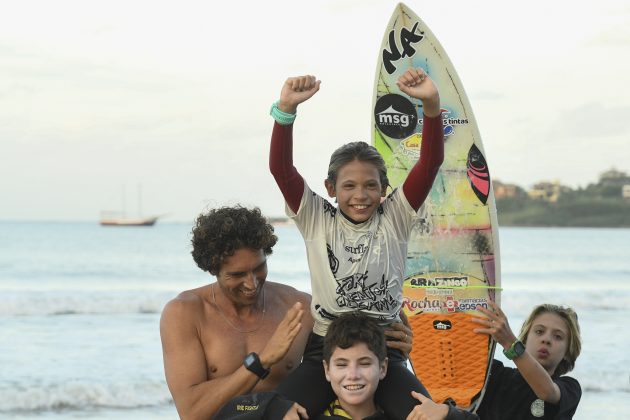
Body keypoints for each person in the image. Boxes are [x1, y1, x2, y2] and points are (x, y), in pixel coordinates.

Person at [268, 68, 444, 418]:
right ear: (331, 188)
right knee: (276, 412)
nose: (360, 196)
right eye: (349, 186)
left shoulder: (396, 217)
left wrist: (431, 105)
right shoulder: (317, 218)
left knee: (427, 415)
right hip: (325, 350)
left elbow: (430, 162)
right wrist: (285, 111)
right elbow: (281, 169)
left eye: (371, 186)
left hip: (383, 352)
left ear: (384, 189)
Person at [160, 205, 414, 419]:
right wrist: (262, 362)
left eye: (259, 268)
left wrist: (394, 347)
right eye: (237, 275)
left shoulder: (300, 307)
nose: (251, 283)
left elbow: (352, 358)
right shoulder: (184, 314)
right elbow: (191, 412)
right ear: (211, 268)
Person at [472, 302, 582, 419]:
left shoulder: (570, 388)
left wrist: (510, 343)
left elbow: (547, 392)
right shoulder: (495, 374)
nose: (546, 339)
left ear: (567, 351)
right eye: (539, 331)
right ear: (525, 339)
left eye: (558, 336)